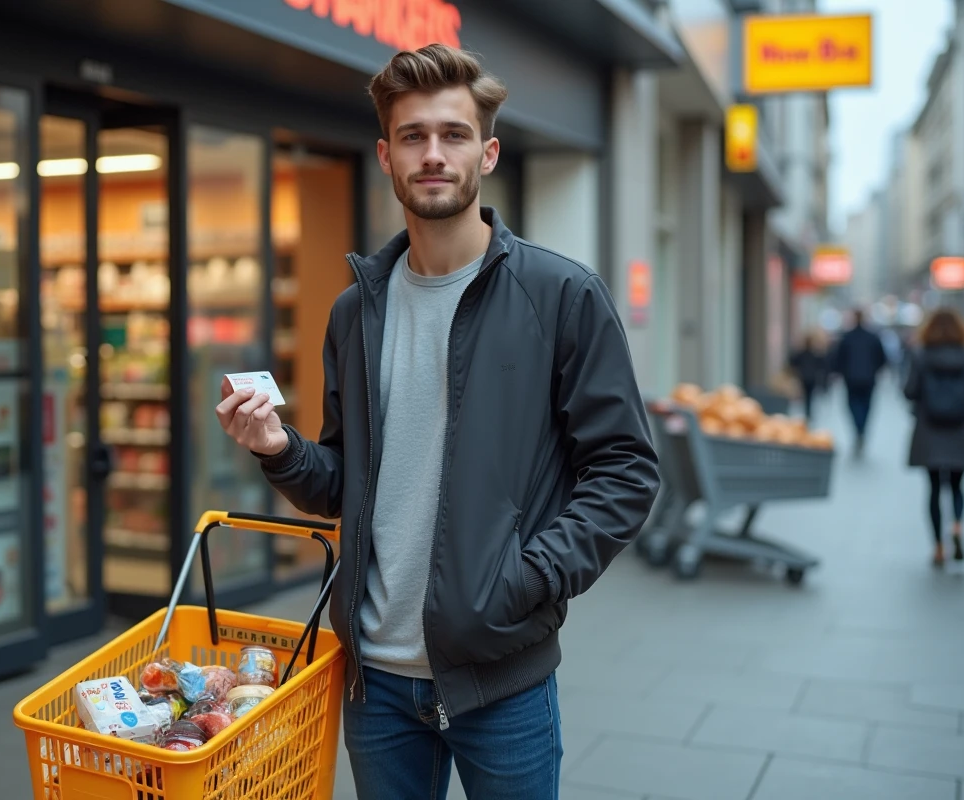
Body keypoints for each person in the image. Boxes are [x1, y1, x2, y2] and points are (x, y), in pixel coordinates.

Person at [215, 44, 659, 800]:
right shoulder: (357, 311)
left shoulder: (560, 296)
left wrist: (532, 578)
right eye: (413, 136)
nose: (433, 154)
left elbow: (626, 470)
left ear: (486, 153)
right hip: (375, 683)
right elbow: (344, 481)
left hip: (502, 677)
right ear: (386, 155)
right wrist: (279, 448)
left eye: (453, 135)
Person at [904, 307, 964, 566]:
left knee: (933, 489)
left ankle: (939, 547)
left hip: (930, 431)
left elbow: (910, 391)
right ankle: (957, 528)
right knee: (957, 486)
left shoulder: (921, 357)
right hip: (961, 430)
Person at [830, 308, 889, 455]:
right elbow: (882, 358)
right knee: (866, 406)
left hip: (851, 379)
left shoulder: (847, 337)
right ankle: (861, 429)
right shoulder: (873, 337)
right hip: (868, 378)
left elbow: (838, 358)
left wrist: (838, 372)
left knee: (853, 405)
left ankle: (859, 429)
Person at [788, 330, 828, 421]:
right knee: (809, 396)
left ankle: (807, 411)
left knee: (807, 396)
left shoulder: (801, 354)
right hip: (811, 378)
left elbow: (793, 362)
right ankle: (808, 411)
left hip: (804, 377)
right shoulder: (814, 354)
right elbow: (822, 364)